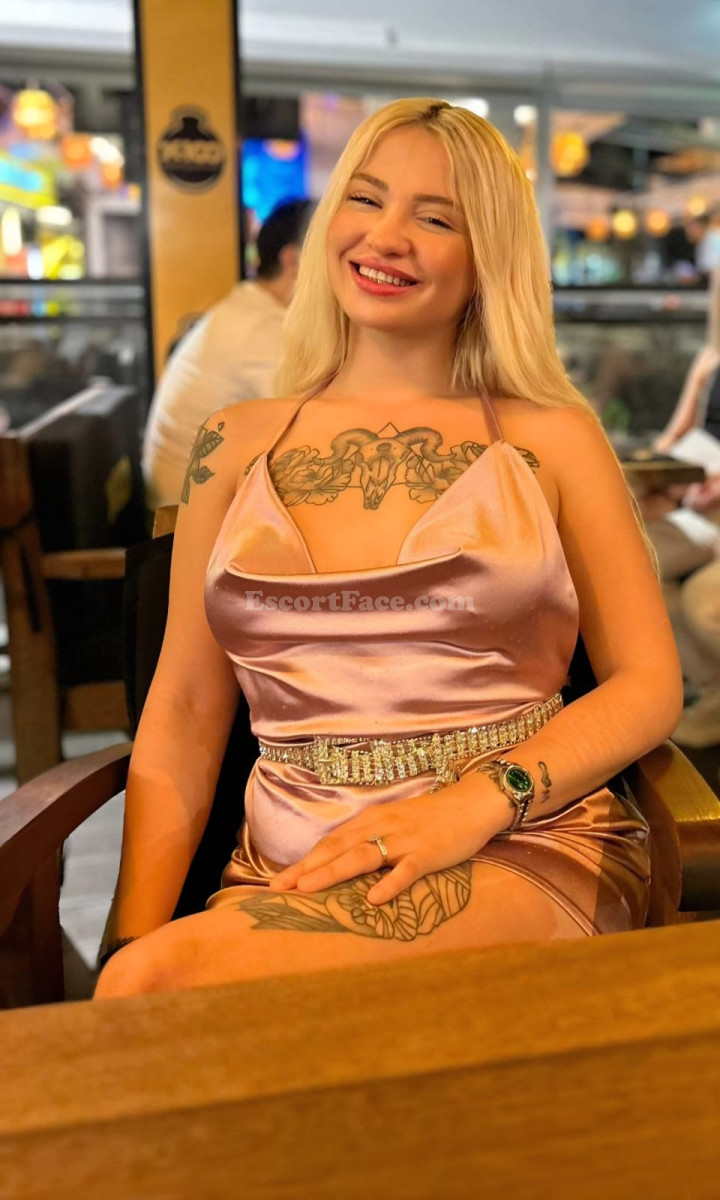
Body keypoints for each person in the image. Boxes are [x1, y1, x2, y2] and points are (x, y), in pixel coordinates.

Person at [95, 99, 681, 999]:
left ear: (488, 259)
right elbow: (183, 710)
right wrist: (130, 938)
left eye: (436, 218)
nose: (387, 236)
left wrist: (474, 803)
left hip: (518, 843)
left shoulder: (556, 436)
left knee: (160, 987)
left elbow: (649, 684)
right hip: (287, 874)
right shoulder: (234, 441)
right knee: (149, 987)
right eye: (366, 199)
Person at [142, 199, 313, 507]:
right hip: (182, 524)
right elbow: (312, 432)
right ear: (293, 261)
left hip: (184, 506)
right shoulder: (260, 329)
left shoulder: (251, 308)